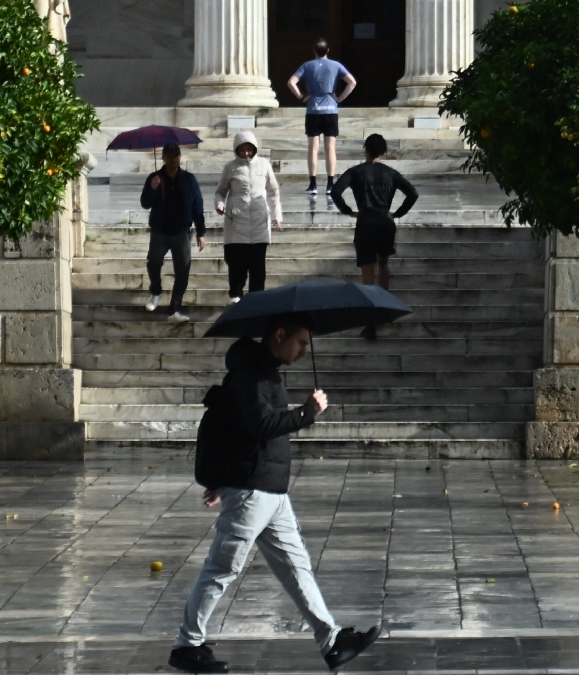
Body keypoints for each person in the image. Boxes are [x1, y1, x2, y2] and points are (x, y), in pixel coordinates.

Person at [168, 313, 379, 674]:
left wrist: (224, 479)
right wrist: (307, 413)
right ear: (279, 335)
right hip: (253, 493)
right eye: (300, 343)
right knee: (222, 569)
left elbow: (240, 432)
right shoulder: (252, 375)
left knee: (297, 568)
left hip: (270, 492)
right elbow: (260, 425)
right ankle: (187, 645)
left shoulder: (263, 373)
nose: (302, 351)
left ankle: (331, 641)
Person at [330, 134, 419, 340]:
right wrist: (397, 213)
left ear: (366, 149)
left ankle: (370, 322)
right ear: (383, 151)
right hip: (385, 223)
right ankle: (384, 307)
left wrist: (348, 210)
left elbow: (336, 192)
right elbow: (412, 193)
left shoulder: (356, 172)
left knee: (368, 272)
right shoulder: (390, 173)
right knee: (384, 263)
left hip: (366, 223)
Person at [140, 143, 207, 322]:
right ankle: (156, 290)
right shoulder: (154, 178)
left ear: (180, 157)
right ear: (163, 158)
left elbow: (197, 206)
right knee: (153, 262)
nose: (172, 159)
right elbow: (145, 203)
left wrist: (201, 232)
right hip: (160, 231)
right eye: (169, 155)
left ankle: (174, 309)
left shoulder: (188, 179)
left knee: (183, 271)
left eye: (175, 155)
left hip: (182, 231)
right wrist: (152, 189)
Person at [214, 131, 282, 304]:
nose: (246, 153)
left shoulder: (264, 165)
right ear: (236, 150)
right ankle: (235, 297)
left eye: (249, 149)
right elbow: (221, 192)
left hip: (259, 224)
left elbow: (273, 192)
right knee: (237, 266)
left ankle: (256, 302)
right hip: (237, 224)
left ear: (254, 148)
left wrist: (277, 216)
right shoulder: (230, 168)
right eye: (242, 150)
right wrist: (220, 204)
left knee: (258, 269)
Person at [287, 38, 356, 196]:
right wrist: (339, 98)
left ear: (314, 51)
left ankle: (313, 184)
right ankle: (330, 184)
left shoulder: (307, 65)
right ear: (328, 50)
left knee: (313, 148)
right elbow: (352, 82)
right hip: (330, 109)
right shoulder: (336, 65)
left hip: (313, 110)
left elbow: (291, 82)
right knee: (330, 147)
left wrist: (302, 97)